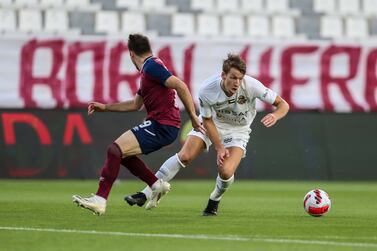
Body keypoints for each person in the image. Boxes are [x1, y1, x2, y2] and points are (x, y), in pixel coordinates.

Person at [125, 54, 289, 215]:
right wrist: (219, 147)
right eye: (233, 77)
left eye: (240, 78)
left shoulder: (252, 86)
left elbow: (283, 104)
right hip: (212, 124)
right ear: (223, 75)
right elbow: (207, 120)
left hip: (239, 131)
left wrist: (275, 115)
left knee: (225, 172)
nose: (237, 83)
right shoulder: (207, 89)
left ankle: (214, 199)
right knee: (185, 156)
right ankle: (146, 192)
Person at [72, 34, 204, 215]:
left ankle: (100, 199)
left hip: (163, 125)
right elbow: (135, 104)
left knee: (114, 150)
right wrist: (105, 107)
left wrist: (194, 117)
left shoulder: (151, 67)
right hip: (163, 125)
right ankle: (156, 185)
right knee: (121, 155)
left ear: (131, 54)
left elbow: (180, 85)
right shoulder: (150, 69)